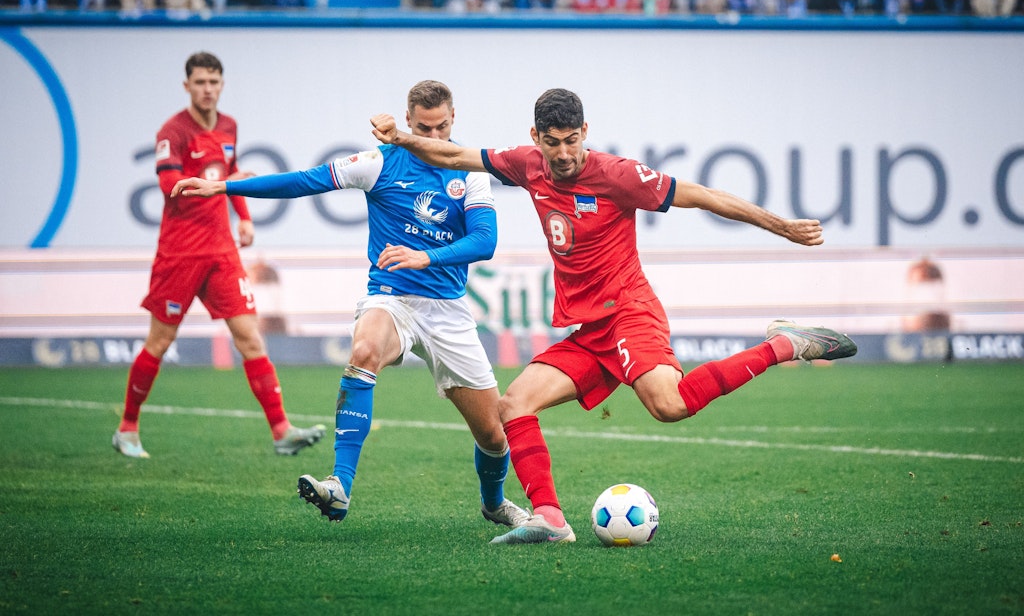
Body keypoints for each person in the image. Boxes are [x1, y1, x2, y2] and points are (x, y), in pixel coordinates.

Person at [368, 87, 858, 544]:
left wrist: (783, 227)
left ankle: (785, 345)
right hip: (590, 330)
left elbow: (706, 196)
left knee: (669, 406)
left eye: (572, 140)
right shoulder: (526, 164)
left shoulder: (617, 175)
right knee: (513, 404)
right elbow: (452, 154)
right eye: (553, 142)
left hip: (629, 312)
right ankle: (550, 518)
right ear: (536, 138)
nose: (563, 154)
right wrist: (400, 140)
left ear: (586, 131)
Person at [170, 80, 530, 529]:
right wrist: (223, 189)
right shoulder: (378, 163)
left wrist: (426, 256)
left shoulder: (470, 173)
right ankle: (339, 486)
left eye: (440, 128)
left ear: (453, 119)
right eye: (423, 128)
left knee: (494, 434)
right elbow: (304, 181)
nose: (433, 138)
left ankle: (494, 504)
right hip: (392, 298)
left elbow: (485, 241)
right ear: (407, 122)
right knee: (363, 352)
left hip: (448, 311)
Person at [112, 52, 326, 460]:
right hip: (180, 254)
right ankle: (127, 428)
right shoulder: (172, 132)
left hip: (222, 252)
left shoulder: (229, 127)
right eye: (200, 82)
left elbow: (230, 173)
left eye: (214, 82)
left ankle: (281, 430)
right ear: (187, 86)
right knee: (160, 340)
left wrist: (243, 217)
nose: (207, 89)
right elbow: (169, 185)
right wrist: (224, 182)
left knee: (250, 337)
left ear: (221, 85)